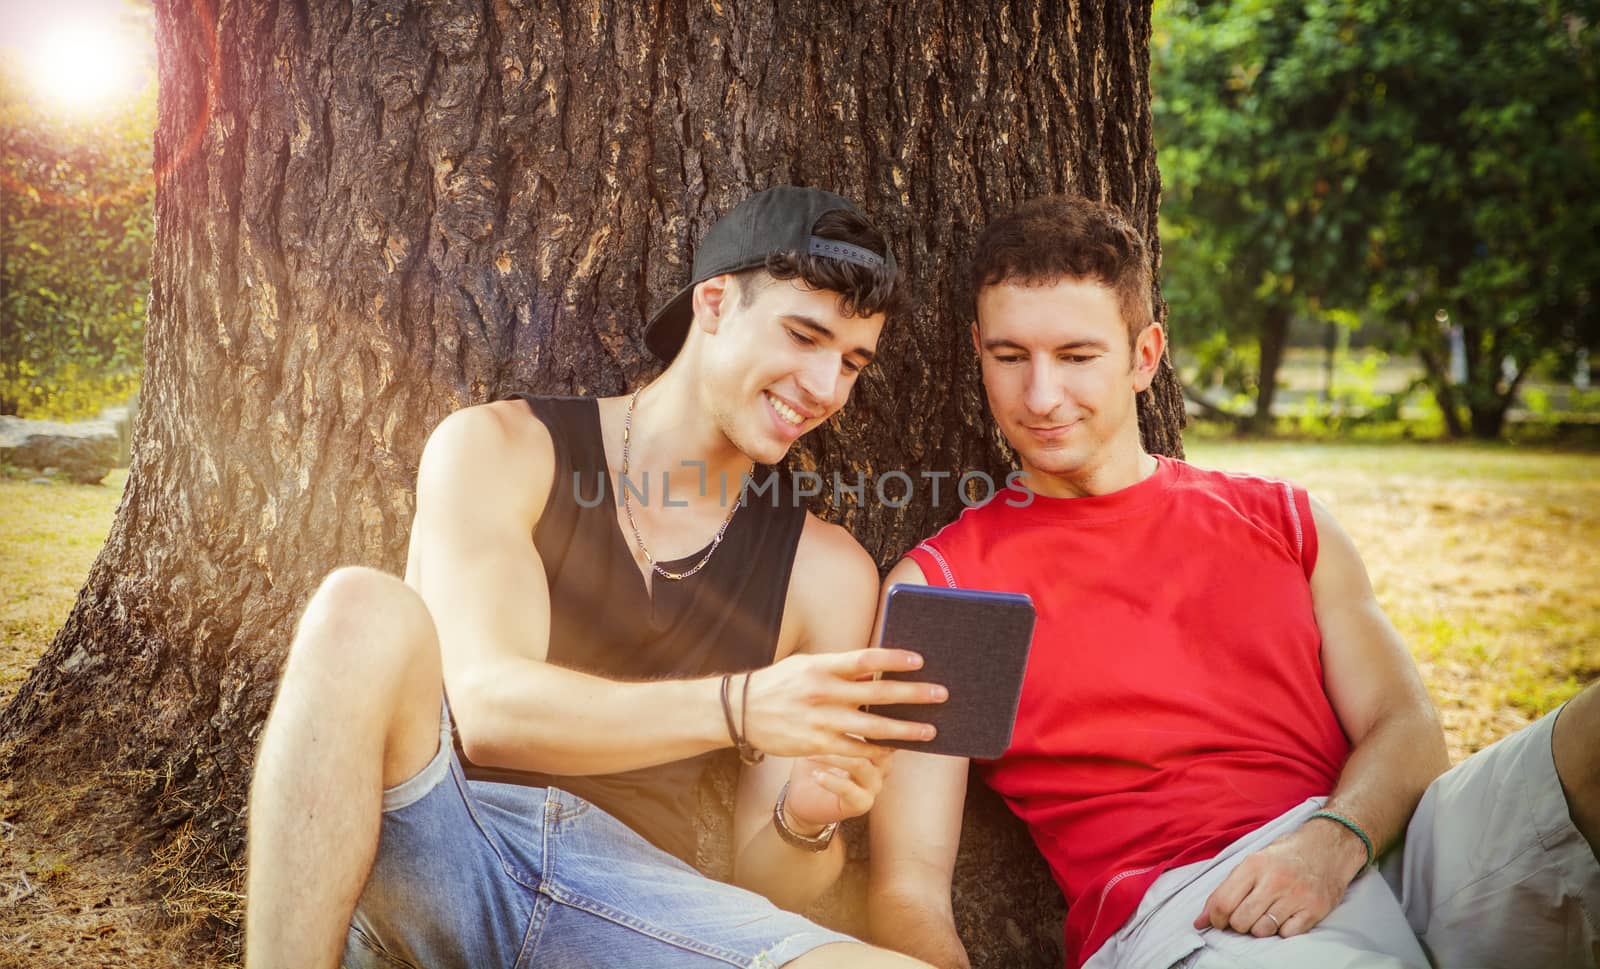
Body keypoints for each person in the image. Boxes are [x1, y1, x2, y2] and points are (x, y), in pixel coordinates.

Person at [866, 195, 1600, 969]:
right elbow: (908, 888)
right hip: (1199, 909)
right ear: (978, 349)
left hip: (1384, 844)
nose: (1041, 396)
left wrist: (1331, 843)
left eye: (1077, 357)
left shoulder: (1281, 519)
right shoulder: (953, 588)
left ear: (1145, 355)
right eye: (1010, 357)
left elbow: (1406, 726)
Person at [244, 186, 948, 969]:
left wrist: (807, 817)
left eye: (852, 362)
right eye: (803, 335)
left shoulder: (826, 571)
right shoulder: (502, 449)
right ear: (713, 303)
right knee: (359, 606)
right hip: (449, 841)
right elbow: (490, 709)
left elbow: (766, 879)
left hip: (636, 903)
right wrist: (741, 704)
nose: (824, 386)